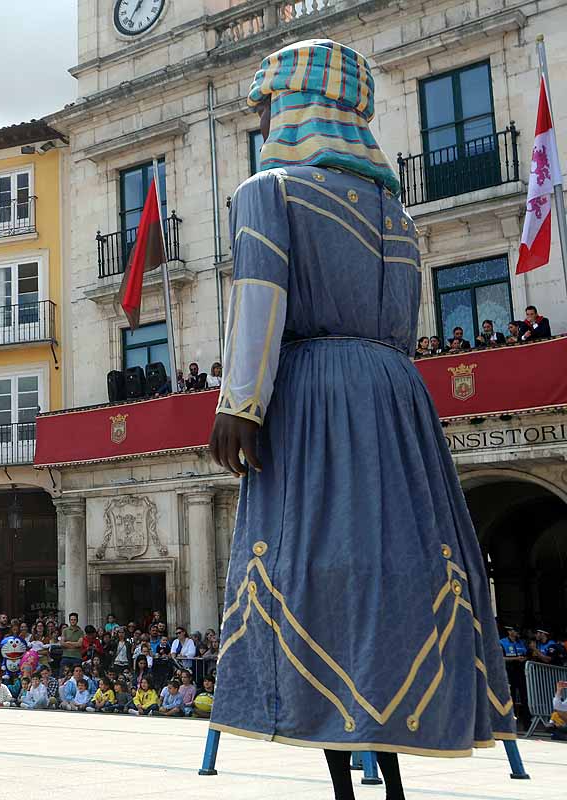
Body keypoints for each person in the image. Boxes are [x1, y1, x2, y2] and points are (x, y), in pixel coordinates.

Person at [207, 40, 514, 799]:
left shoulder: (269, 192)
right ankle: (399, 766)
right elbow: (405, 322)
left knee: (314, 567)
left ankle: (345, 777)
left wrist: (239, 403)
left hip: (314, 387)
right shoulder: (396, 214)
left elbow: (260, 299)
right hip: (395, 391)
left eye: (272, 102)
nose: (267, 116)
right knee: (397, 572)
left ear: (294, 103)